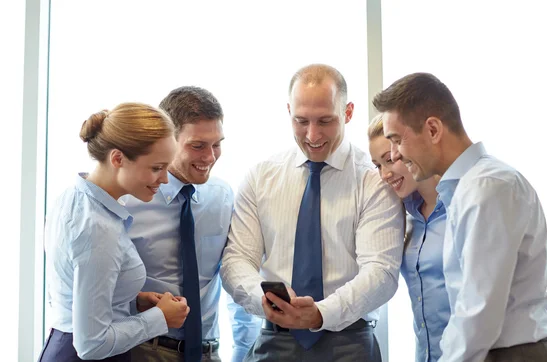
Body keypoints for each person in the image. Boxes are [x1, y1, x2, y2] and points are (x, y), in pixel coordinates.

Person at [220, 64, 404, 362]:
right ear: (289, 111)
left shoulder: (373, 180)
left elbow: (381, 271)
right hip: (275, 338)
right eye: (301, 120)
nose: (312, 134)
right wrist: (262, 298)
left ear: (348, 112)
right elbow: (236, 260)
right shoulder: (260, 177)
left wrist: (321, 313)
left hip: (349, 342)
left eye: (325, 121)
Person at [373, 72, 547, 362]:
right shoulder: (466, 188)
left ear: (433, 129)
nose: (395, 156)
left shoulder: (487, 187)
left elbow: (477, 311)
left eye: (397, 141)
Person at [40, 103, 190, 362]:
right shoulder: (98, 228)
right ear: (117, 158)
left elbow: (76, 287)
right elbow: (91, 345)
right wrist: (158, 318)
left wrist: (134, 301)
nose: (165, 179)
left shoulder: (74, 197)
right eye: (156, 168)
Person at [123, 86, 260, 362]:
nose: (210, 157)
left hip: (210, 353)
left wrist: (245, 352)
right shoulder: (128, 201)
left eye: (217, 144)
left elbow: (235, 275)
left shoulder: (223, 197)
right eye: (197, 146)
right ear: (167, 140)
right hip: (144, 350)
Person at [368, 114, 449, 362]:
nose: (384, 174)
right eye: (377, 165)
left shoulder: (462, 207)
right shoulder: (405, 215)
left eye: (390, 160)